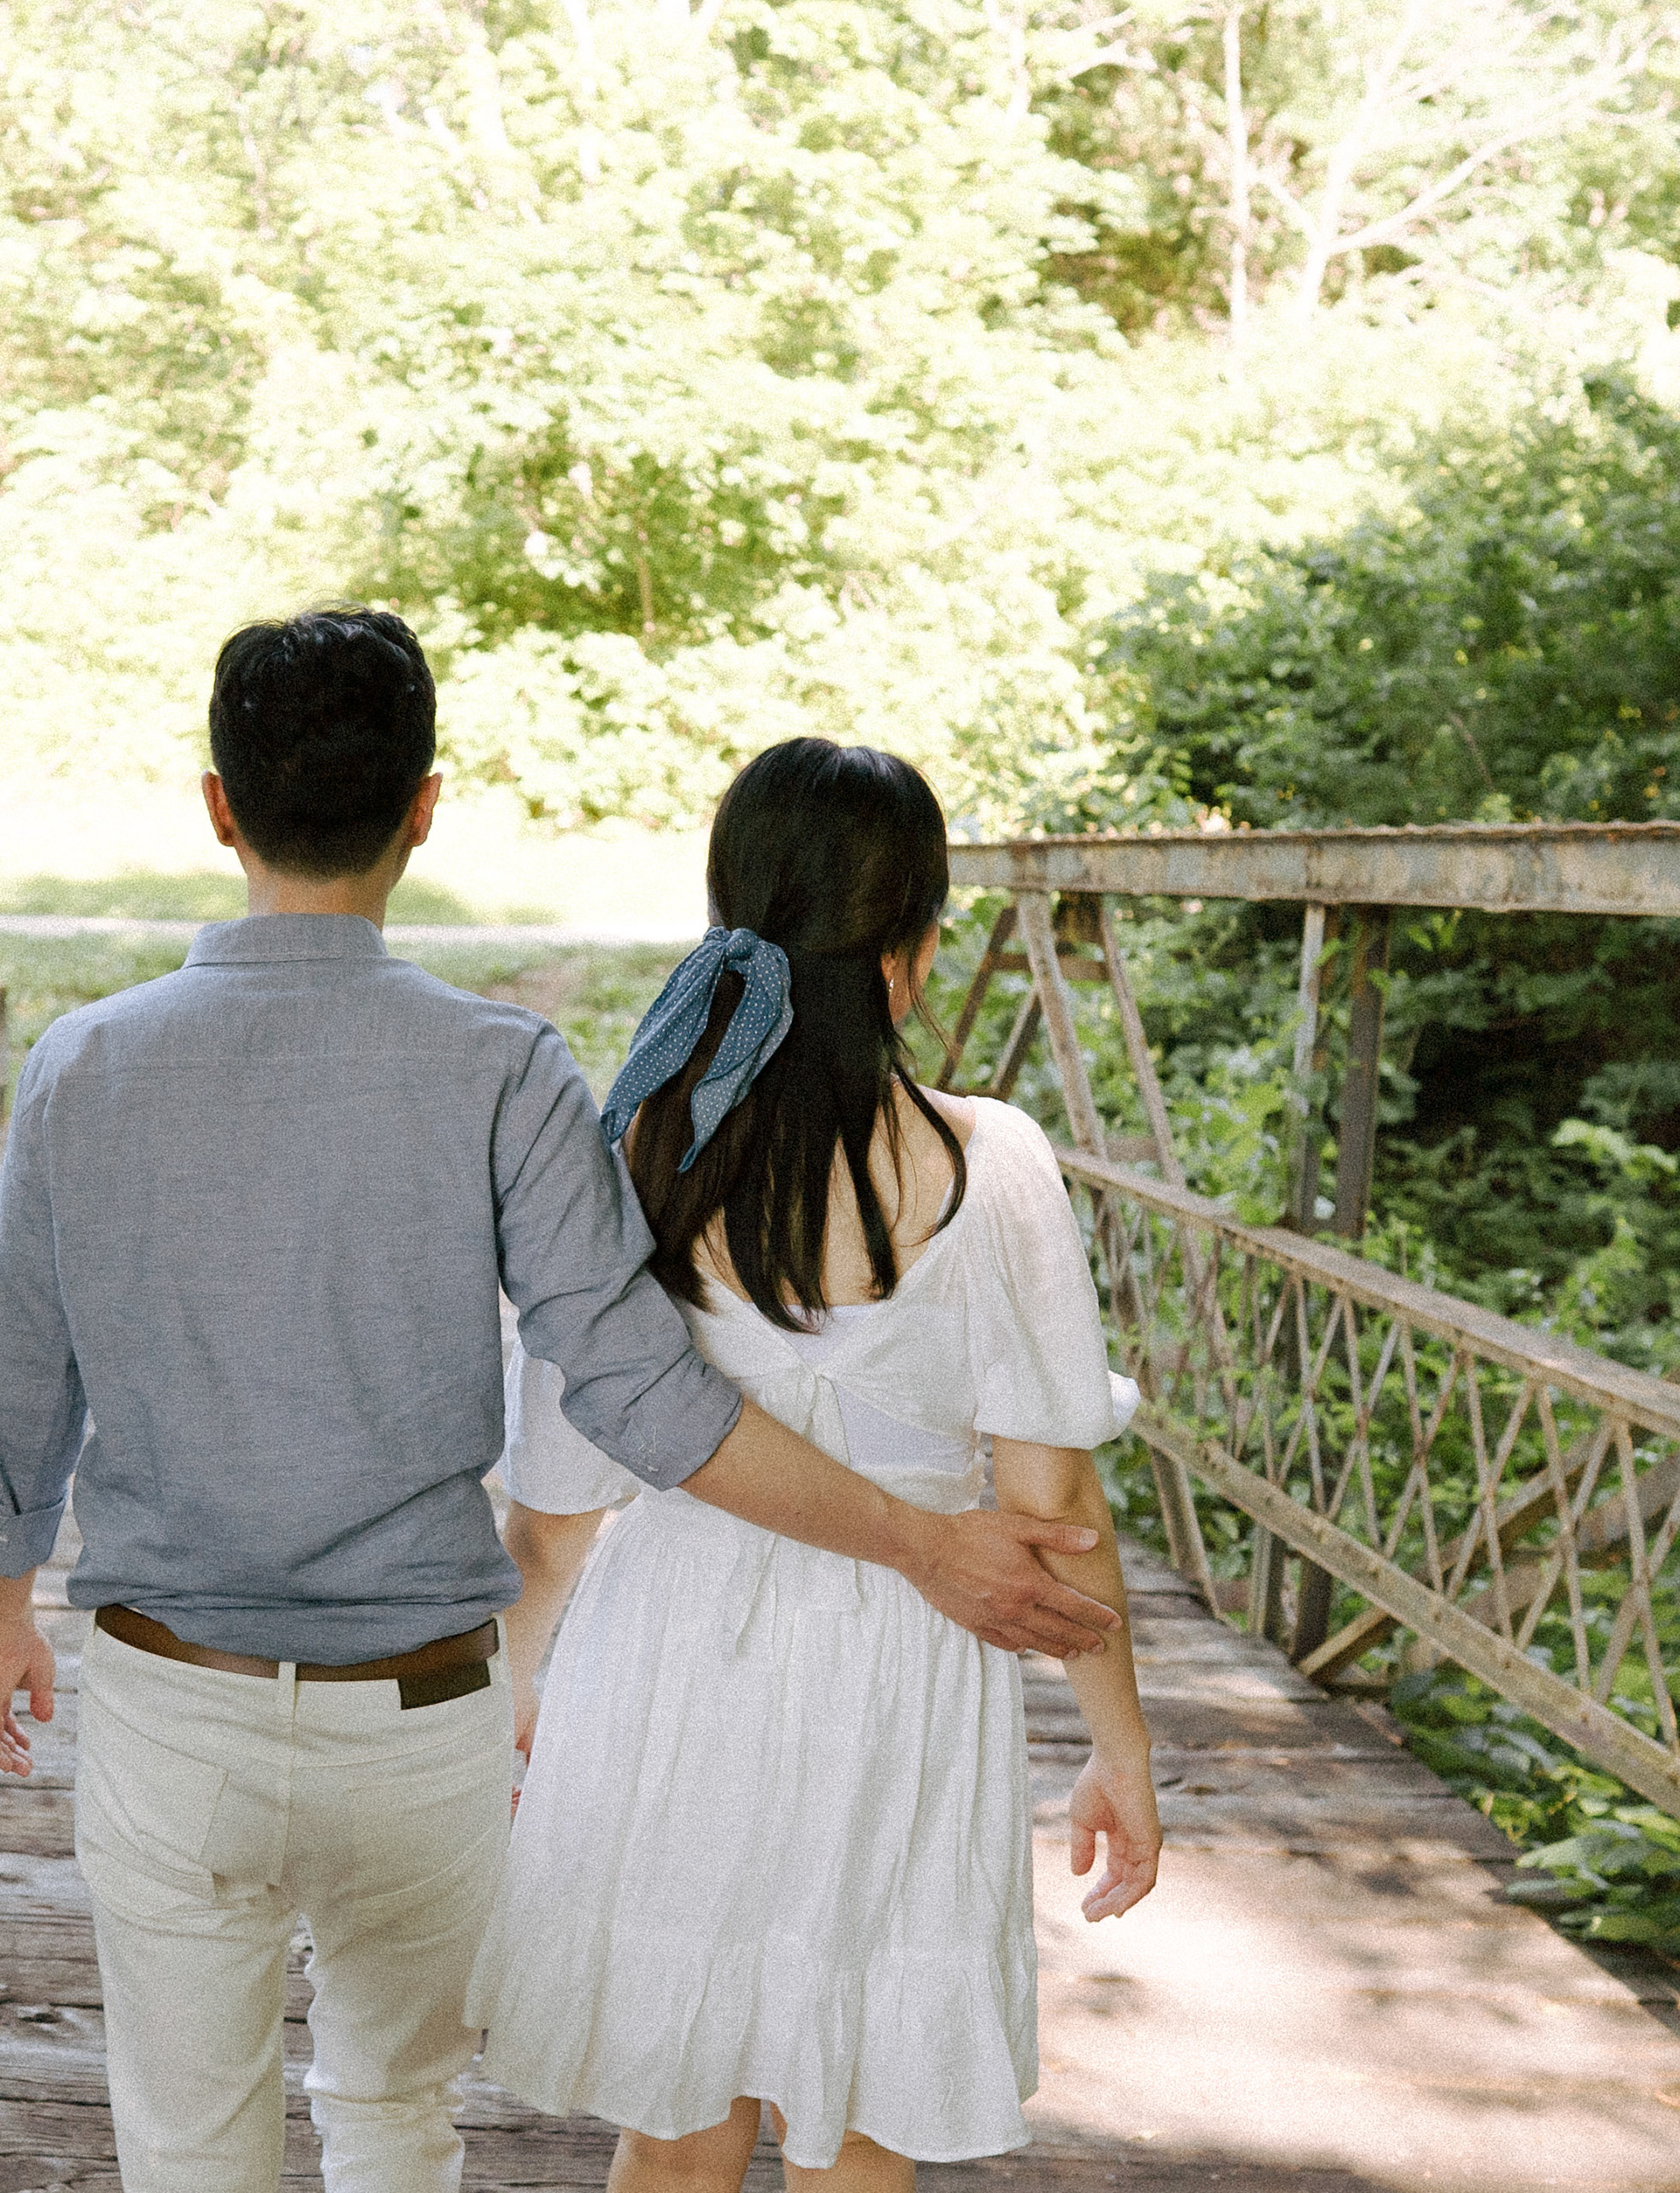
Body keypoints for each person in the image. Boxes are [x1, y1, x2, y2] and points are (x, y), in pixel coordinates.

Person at [0, 615, 1119, 2193]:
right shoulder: (503, 1067)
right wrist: (927, 1546)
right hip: (421, 1717)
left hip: (172, 1697)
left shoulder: (80, 1064)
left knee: (193, 2145)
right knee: (397, 2116)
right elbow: (637, 1393)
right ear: (426, 808)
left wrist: (6, 1597)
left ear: (217, 807)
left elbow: (20, 1372)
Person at [466, 737, 1162, 2193]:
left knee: (676, 2130)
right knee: (861, 2125)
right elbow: (1053, 1510)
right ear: (912, 955)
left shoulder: (638, 1151)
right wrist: (1122, 1749)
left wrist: (522, 1689)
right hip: (905, 1672)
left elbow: (560, 1502)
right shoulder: (993, 1167)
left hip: (671, 1659)